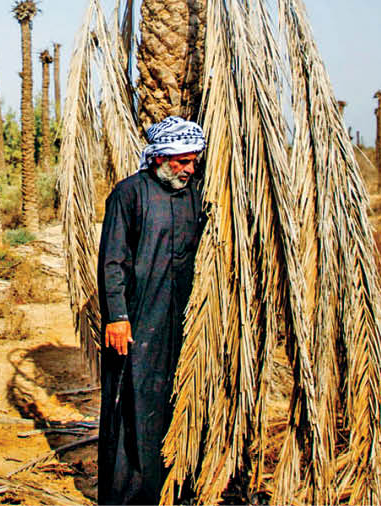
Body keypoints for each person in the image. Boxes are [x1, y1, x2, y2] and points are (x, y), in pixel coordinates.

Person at [97, 116, 208, 505]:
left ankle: (176, 489)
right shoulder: (129, 194)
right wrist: (117, 316)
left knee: (175, 400)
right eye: (183, 161)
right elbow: (112, 260)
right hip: (138, 320)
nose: (189, 169)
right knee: (134, 404)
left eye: (193, 162)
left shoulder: (194, 197)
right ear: (160, 157)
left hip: (182, 322)